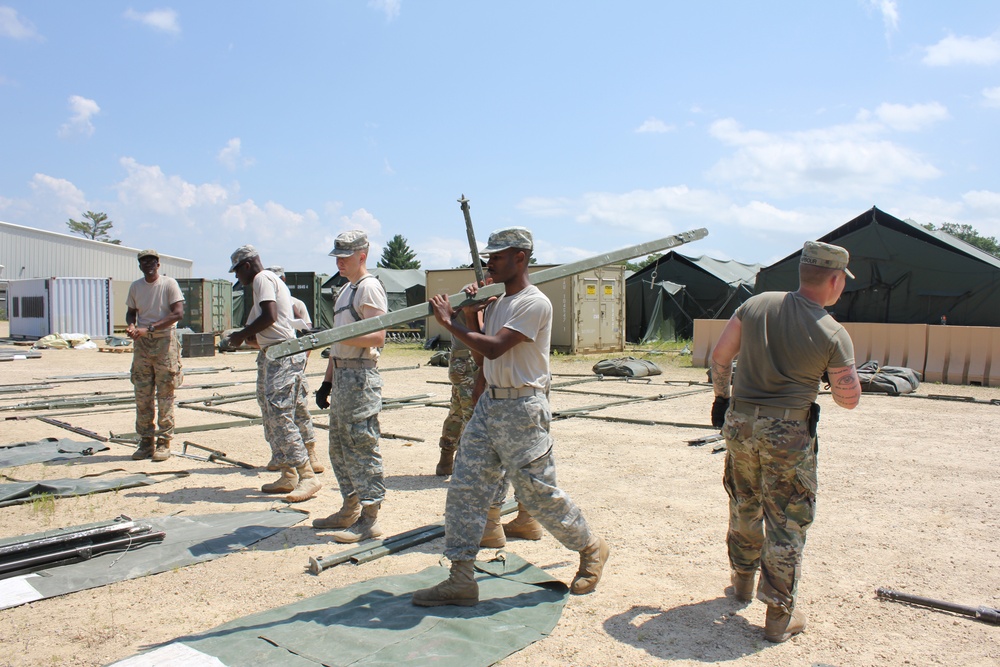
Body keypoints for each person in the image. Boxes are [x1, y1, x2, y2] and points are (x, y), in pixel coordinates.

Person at [412, 226, 610, 607]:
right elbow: (484, 354)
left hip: (522, 408)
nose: (489, 263)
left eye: (497, 257)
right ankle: (461, 578)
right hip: (491, 405)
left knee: (538, 495)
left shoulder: (534, 303)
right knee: (465, 488)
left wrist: (449, 322)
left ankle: (590, 548)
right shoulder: (499, 301)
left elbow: (499, 346)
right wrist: (470, 316)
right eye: (490, 257)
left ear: (521, 258)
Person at [709, 240, 862, 643]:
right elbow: (848, 400)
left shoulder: (757, 304)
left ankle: (741, 582)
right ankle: (779, 614)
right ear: (834, 280)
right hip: (788, 433)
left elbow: (720, 357)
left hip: (740, 425)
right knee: (787, 520)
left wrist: (722, 399)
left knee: (744, 502)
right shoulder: (832, 332)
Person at [311, 230, 389, 544]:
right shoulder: (346, 290)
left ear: (362, 255)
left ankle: (369, 519)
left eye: (345, 256)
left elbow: (377, 336)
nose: (340, 262)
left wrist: (336, 340)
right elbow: (336, 345)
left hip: (360, 378)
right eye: (337, 257)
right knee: (340, 448)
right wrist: (326, 382)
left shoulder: (369, 288)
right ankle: (350, 508)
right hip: (343, 375)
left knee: (361, 446)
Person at [227, 245, 321, 503]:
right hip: (274, 354)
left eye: (237, 272)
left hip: (283, 355)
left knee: (280, 414)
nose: (238, 279)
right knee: (271, 412)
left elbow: (269, 317)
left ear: (246, 266)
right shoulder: (264, 281)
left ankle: (307, 475)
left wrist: (240, 335)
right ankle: (288, 473)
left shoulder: (262, 279)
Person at [125, 249, 185, 462]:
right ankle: (145, 441)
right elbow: (131, 311)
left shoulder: (169, 285)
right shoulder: (136, 287)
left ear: (158, 264)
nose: (148, 265)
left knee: (165, 393)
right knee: (142, 393)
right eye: (144, 262)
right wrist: (132, 325)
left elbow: (178, 313)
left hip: (164, 341)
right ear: (140, 265)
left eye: (152, 261)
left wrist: (148, 328)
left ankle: (163, 441)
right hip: (142, 343)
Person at [265, 265, 323, 474]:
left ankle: (310, 451)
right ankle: (279, 454)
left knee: (299, 407)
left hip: (292, 362)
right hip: (269, 360)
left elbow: (307, 335)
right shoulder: (262, 302)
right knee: (270, 409)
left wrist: (302, 364)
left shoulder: (296, 304)